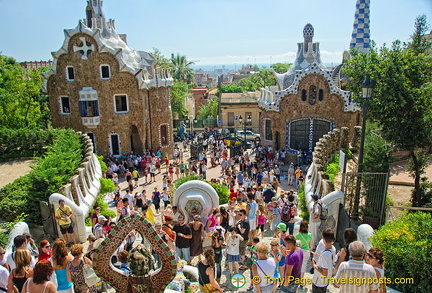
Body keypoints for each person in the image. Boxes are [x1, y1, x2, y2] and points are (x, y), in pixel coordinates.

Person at [312, 228, 335, 293]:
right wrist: (319, 256)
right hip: (326, 281)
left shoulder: (324, 256)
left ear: (324, 239)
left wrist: (314, 265)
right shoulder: (333, 249)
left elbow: (324, 273)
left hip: (319, 282)